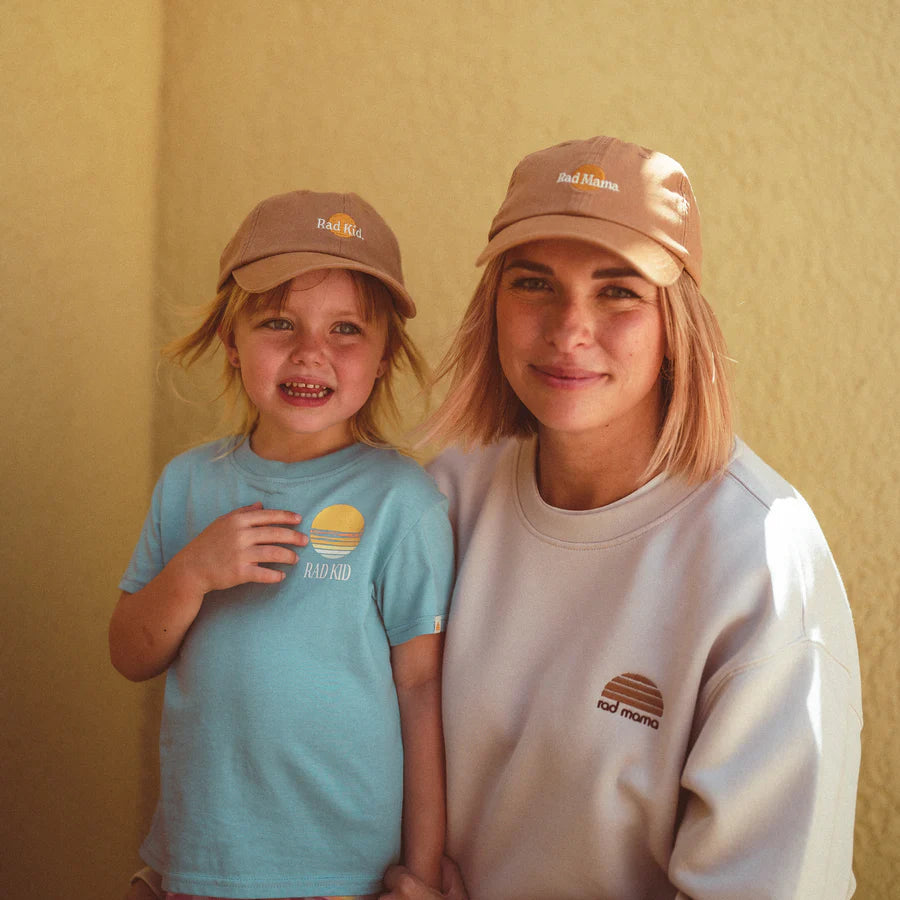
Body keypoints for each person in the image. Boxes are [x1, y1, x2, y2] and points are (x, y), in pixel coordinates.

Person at [380, 136, 862, 899]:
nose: (570, 328)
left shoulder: (761, 558)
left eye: (619, 291)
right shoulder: (440, 501)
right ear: (493, 306)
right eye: (534, 282)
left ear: (678, 323)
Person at [109, 190, 453, 900]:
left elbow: (420, 692)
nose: (310, 353)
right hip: (201, 860)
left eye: (346, 329)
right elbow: (129, 653)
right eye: (278, 322)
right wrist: (193, 573)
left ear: (385, 354)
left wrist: (420, 869)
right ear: (232, 344)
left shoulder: (403, 504)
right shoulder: (186, 485)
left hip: (344, 874)